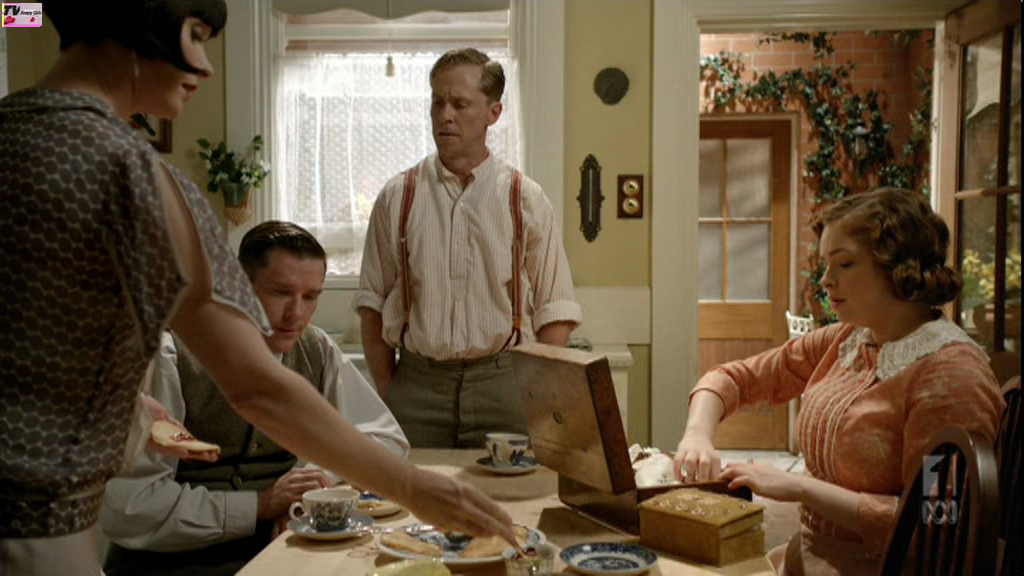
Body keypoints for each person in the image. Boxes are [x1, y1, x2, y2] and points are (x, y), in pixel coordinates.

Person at [0, 4, 512, 575]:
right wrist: (415, 488)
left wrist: (117, 403)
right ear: (140, 25)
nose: (206, 66)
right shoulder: (128, 171)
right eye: (196, 36)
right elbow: (255, 384)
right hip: (38, 532)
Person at [672, 188, 1003, 576]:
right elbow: (735, 378)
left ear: (900, 266)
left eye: (844, 263)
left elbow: (938, 523)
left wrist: (800, 487)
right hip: (808, 559)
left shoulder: (950, 377)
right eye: (825, 265)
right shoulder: (850, 339)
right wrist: (696, 435)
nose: (826, 280)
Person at [100, 221, 410, 576]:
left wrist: (311, 484)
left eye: (311, 296)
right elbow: (131, 508)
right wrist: (259, 506)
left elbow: (387, 440)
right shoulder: (171, 357)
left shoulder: (316, 349)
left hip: (272, 554)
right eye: (281, 292)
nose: (296, 314)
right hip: (167, 566)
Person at [355, 48, 581, 448]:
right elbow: (372, 303)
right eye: (437, 102)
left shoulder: (524, 198)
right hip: (416, 387)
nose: (445, 115)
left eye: (460, 104)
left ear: (493, 113)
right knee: (405, 487)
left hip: (505, 386)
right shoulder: (398, 196)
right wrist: (389, 387)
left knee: (514, 490)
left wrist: (536, 391)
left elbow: (556, 309)